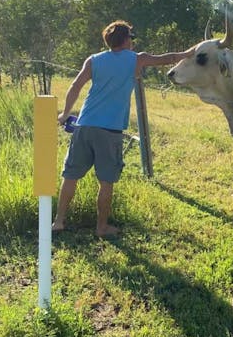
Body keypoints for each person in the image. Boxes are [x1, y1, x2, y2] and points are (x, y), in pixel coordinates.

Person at [52, 20, 194, 237]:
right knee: (106, 181)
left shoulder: (94, 60)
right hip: (110, 131)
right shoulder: (137, 59)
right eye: (131, 37)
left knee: (70, 175)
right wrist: (190, 52)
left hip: (85, 125)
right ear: (127, 40)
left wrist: (64, 114)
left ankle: (59, 221)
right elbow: (169, 58)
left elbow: (75, 86)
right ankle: (101, 227)